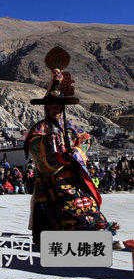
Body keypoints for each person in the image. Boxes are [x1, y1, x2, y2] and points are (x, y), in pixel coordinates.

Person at [25, 46, 122, 249]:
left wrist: (75, 152)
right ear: (46, 108)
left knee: (87, 200)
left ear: (63, 108)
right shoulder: (40, 128)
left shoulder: (70, 127)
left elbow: (85, 139)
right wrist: (50, 148)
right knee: (67, 202)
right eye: (51, 106)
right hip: (52, 178)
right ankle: (81, 236)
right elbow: (34, 147)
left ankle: (100, 230)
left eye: (58, 107)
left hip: (73, 175)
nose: (55, 110)